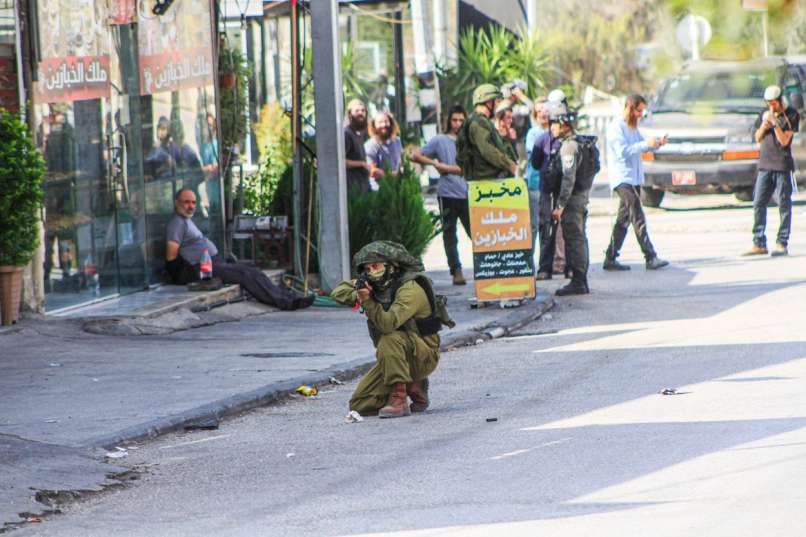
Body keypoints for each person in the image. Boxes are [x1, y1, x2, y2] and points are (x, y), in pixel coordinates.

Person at [330, 241, 451, 418]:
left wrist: (368, 300)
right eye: (367, 268)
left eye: (376, 266)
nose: (372, 272)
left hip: (423, 355)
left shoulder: (410, 288)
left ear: (391, 267)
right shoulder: (377, 285)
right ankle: (413, 385)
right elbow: (338, 291)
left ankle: (399, 398)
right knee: (360, 405)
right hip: (396, 356)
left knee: (389, 337)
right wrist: (360, 293)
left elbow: (387, 324)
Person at [165, 188, 313, 310]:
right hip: (201, 268)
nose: (190, 206)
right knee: (244, 274)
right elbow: (171, 258)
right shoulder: (177, 223)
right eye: (186, 202)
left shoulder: (186, 220)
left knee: (253, 270)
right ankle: (285, 302)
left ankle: (290, 297)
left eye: (193, 202)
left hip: (211, 263)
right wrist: (187, 277)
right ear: (176, 203)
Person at [603, 94, 670, 271]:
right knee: (637, 216)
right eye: (639, 110)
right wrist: (645, 144)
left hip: (633, 178)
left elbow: (641, 144)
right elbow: (622, 152)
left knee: (623, 220)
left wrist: (655, 143)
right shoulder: (616, 127)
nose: (641, 114)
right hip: (623, 179)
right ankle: (650, 256)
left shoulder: (631, 127)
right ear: (630, 108)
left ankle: (610, 257)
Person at [411, 106, 469, 286]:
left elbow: (466, 168)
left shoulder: (469, 142)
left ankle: (486, 266)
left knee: (475, 231)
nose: (458, 124)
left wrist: (445, 168)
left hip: (467, 192)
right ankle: (456, 270)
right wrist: (434, 163)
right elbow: (415, 155)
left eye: (461, 120)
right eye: (454, 120)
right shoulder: (439, 140)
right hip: (447, 194)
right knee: (450, 234)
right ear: (448, 121)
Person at [743, 85, 800, 257]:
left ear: (780, 100)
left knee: (783, 204)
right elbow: (757, 138)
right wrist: (764, 124)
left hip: (782, 165)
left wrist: (775, 125)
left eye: (773, 103)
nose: (771, 106)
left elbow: (784, 141)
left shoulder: (791, 115)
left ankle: (782, 242)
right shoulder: (764, 113)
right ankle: (759, 241)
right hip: (765, 165)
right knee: (758, 202)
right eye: (768, 103)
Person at [550, 104, 598, 296]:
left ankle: (579, 281)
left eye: (554, 123)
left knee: (575, 239)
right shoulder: (578, 143)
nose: (551, 127)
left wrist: (560, 206)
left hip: (572, 201)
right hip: (581, 197)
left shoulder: (569, 147)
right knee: (579, 238)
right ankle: (580, 280)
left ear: (564, 124)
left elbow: (568, 178)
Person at [456, 84, 518, 181]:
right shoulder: (479, 122)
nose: (498, 106)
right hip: (488, 181)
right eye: (497, 101)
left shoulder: (475, 121)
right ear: (489, 102)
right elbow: (488, 151)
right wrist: (510, 165)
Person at [530, 105, 564, 280]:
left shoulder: (569, 141)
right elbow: (535, 163)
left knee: (567, 228)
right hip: (546, 190)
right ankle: (544, 268)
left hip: (565, 190)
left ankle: (570, 268)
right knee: (545, 228)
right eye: (555, 123)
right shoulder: (542, 140)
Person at [525, 100, 549, 256]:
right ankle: (529, 260)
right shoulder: (533, 133)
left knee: (547, 224)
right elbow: (536, 155)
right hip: (535, 184)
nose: (543, 113)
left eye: (545, 110)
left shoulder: (556, 132)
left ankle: (545, 262)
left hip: (550, 186)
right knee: (534, 224)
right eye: (539, 111)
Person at [364, 111, 403, 180]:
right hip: (379, 188)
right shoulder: (370, 145)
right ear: (374, 125)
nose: (384, 125)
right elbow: (371, 170)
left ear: (391, 123)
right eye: (380, 122)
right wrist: (391, 176)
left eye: (386, 121)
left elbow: (401, 162)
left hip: (397, 186)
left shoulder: (397, 141)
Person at [344, 99, 372, 195]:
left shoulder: (360, 134)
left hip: (363, 188)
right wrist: (362, 164)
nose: (361, 113)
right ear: (350, 114)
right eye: (357, 111)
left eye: (363, 111)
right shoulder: (346, 134)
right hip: (352, 188)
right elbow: (341, 161)